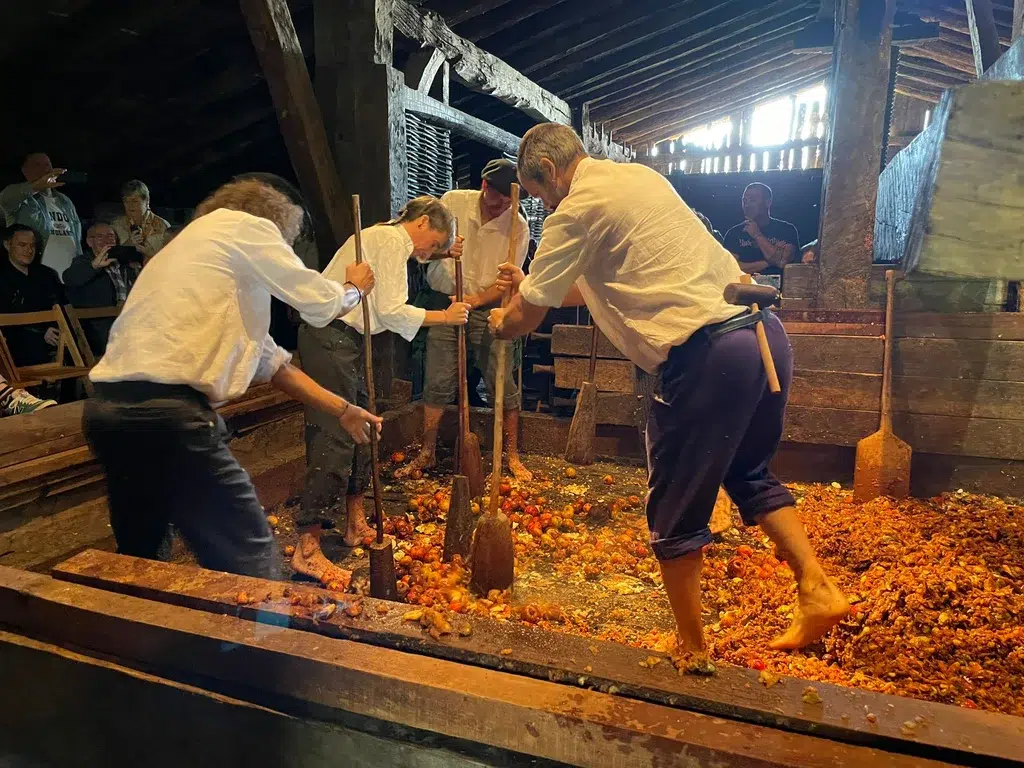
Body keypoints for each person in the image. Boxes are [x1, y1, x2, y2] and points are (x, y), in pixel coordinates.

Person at [488, 124, 848, 658]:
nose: (543, 203)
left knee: (675, 509)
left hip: (710, 355)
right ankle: (818, 588)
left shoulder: (574, 211)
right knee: (747, 472)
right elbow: (574, 288)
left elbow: (527, 316)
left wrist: (502, 320)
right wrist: (530, 290)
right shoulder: (637, 179)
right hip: (761, 332)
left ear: (548, 172)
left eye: (539, 192)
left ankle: (691, 649)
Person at [82, 175, 381, 581]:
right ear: (279, 218)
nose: (286, 250)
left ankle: (148, 637)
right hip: (170, 417)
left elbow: (273, 365)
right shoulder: (244, 226)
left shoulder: (196, 253)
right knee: (251, 565)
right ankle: (261, 642)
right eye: (288, 241)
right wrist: (354, 289)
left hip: (108, 414)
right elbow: (319, 303)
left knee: (142, 558)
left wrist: (343, 409)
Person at [293, 196, 470, 586]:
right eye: (436, 241)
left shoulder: (387, 240)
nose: (433, 250)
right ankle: (307, 547)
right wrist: (444, 316)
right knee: (335, 433)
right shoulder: (391, 241)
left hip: (344, 338)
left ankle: (355, 522)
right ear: (423, 222)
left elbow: (388, 294)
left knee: (363, 428)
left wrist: (440, 257)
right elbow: (390, 309)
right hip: (329, 336)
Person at [400, 159, 533, 482]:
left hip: (489, 308)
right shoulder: (452, 203)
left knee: (501, 379)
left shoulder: (518, 226)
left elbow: (507, 281)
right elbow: (420, 252)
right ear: (484, 186)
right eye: (497, 196)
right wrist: (445, 253)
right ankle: (427, 451)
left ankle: (511, 455)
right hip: (445, 303)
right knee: (438, 379)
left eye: (509, 200)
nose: (502, 204)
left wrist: (476, 300)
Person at [63, 221, 142, 355]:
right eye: (100, 237)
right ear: (89, 242)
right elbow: (69, 278)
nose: (107, 240)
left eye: (110, 236)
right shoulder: (83, 262)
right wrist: (94, 266)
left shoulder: (125, 263)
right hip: (98, 332)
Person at [0, 153, 82, 280]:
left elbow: (76, 238)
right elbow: (5, 198)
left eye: (47, 165)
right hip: (38, 278)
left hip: (71, 278)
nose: (45, 169)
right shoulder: (22, 201)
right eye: (37, 165)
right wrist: (36, 186)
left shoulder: (65, 201)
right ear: (25, 171)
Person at [0, 225, 64, 366]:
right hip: (16, 347)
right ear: (7, 245)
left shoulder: (46, 274)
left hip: (52, 340)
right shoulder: (2, 277)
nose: (29, 250)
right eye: (22, 245)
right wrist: (40, 332)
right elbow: (7, 316)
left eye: (32, 246)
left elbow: (59, 303)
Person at [722, 183, 799, 277]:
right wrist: (769, 262)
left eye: (753, 200)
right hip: (744, 289)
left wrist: (757, 235)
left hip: (779, 290)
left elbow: (783, 261)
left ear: (768, 202)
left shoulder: (786, 230)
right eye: (745, 201)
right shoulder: (734, 233)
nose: (747, 204)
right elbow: (731, 267)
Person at [111, 180, 171, 262]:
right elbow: (111, 257)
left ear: (147, 201)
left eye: (134, 201)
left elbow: (170, 260)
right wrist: (128, 245)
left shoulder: (163, 226)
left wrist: (149, 253)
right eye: (126, 201)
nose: (130, 205)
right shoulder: (116, 225)